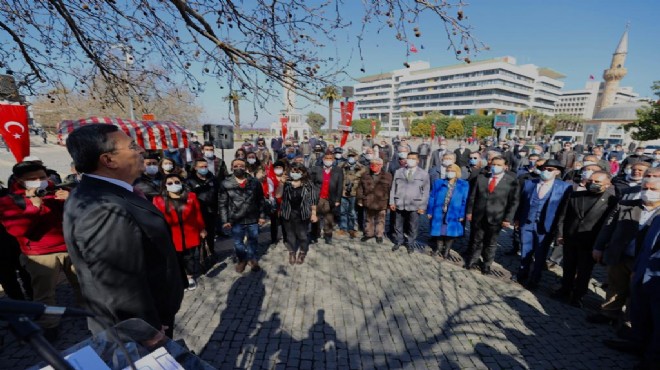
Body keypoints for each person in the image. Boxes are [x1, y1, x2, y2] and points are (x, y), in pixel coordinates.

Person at [63, 124, 183, 339]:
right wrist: (147, 331)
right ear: (109, 160)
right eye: (133, 147)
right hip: (139, 331)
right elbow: (120, 283)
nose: (142, 152)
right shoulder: (104, 207)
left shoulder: (101, 193)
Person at [0, 162, 81, 340]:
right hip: (40, 255)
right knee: (45, 295)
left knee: (83, 286)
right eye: (32, 179)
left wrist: (72, 198)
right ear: (20, 180)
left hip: (69, 247)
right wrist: (34, 206)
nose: (39, 182)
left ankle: (90, 316)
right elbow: (18, 230)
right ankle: (49, 326)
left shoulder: (57, 191)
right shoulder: (9, 200)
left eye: (42, 177)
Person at [589, 178, 660, 325]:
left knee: (636, 292)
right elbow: (608, 227)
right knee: (615, 285)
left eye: (653, 190)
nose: (648, 192)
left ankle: (630, 321)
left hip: (644, 261)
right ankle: (609, 313)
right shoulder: (625, 205)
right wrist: (599, 247)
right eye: (645, 188)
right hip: (620, 255)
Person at [553, 171, 617, 307]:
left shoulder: (612, 201)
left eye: (597, 182)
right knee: (568, 267)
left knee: (584, 271)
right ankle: (565, 289)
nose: (593, 184)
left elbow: (609, 225)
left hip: (591, 243)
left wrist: (601, 245)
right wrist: (560, 234)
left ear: (607, 184)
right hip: (570, 238)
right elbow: (562, 217)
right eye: (591, 181)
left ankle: (578, 295)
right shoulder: (575, 195)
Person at [515, 159, 572, 289]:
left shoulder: (564, 187)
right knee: (525, 249)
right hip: (527, 222)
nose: (545, 171)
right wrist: (518, 219)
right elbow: (521, 203)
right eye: (544, 169)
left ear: (557, 172)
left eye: (550, 170)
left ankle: (535, 278)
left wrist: (559, 230)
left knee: (541, 253)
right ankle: (522, 273)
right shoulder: (529, 183)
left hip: (547, 225)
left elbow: (564, 210)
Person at [465, 156, 519, 274]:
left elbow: (513, 202)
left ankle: (486, 264)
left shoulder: (511, 181)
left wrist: (507, 219)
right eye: (494, 164)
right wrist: (469, 212)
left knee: (491, 242)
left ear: (505, 167)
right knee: (476, 239)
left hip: (496, 217)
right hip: (479, 215)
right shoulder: (481, 178)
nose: (495, 167)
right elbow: (472, 197)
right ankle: (473, 260)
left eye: (499, 165)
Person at [153, 174, 206, 291]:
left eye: (177, 182)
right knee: (175, 258)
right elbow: (156, 219)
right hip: (171, 235)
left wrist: (202, 228)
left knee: (190, 257)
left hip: (190, 233)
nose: (174, 185)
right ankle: (179, 278)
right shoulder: (158, 200)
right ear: (165, 185)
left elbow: (198, 214)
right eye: (170, 183)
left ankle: (189, 276)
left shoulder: (191, 196)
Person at [219, 158, 267, 273]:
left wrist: (262, 216)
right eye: (236, 166)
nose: (239, 168)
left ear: (245, 167)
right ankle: (242, 259)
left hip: (252, 217)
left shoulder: (254, 182)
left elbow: (261, 200)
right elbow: (222, 203)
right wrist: (225, 220)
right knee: (238, 243)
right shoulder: (226, 183)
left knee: (253, 240)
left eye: (241, 165)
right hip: (235, 219)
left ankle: (252, 259)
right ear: (232, 167)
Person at [389, 152, 430, 253]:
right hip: (400, 202)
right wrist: (392, 202)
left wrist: (422, 206)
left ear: (418, 160)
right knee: (397, 224)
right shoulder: (399, 172)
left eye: (413, 158)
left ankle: (410, 243)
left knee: (413, 226)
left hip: (414, 204)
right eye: (409, 158)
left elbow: (426, 191)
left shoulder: (424, 174)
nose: (410, 160)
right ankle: (399, 241)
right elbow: (393, 188)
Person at [278, 163, 318, 265]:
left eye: (297, 172)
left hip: (303, 214)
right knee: (290, 235)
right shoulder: (286, 182)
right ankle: (292, 252)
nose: (294, 173)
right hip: (288, 213)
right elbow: (278, 195)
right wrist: (281, 184)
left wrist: (313, 213)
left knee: (302, 235)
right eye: (293, 171)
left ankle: (303, 252)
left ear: (303, 172)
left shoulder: (308, 184)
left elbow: (313, 200)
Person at [426, 164, 469, 258]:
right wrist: (430, 211)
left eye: (452, 171)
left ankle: (447, 251)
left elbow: (464, 201)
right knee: (439, 231)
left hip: (454, 212)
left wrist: (462, 214)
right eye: (448, 170)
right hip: (439, 211)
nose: (450, 173)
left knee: (450, 233)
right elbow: (432, 197)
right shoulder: (439, 182)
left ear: (457, 172)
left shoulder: (463, 184)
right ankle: (438, 248)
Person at [186, 159, 220, 261]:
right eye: (201, 167)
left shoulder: (213, 179)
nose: (204, 169)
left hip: (211, 212)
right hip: (197, 213)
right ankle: (201, 256)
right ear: (195, 168)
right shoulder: (190, 181)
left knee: (210, 234)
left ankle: (211, 252)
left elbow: (218, 193)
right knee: (200, 236)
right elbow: (188, 197)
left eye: (205, 166)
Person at [310, 153, 344, 244]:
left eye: (330, 158)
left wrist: (338, 199)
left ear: (333, 160)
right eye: (326, 158)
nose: (328, 160)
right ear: (323, 159)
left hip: (330, 198)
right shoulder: (317, 169)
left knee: (329, 217)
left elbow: (340, 186)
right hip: (318, 197)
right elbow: (312, 183)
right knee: (315, 216)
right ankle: (315, 234)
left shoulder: (338, 170)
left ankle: (328, 235)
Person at [357, 158, 392, 244]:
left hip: (382, 202)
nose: (374, 166)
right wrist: (360, 200)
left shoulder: (388, 176)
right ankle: (369, 234)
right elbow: (360, 188)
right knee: (368, 219)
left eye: (376, 164)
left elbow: (391, 190)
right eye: (372, 164)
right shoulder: (365, 175)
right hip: (369, 201)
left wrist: (390, 203)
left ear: (381, 165)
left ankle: (379, 235)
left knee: (380, 220)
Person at [337, 151, 365, 239]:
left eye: (353, 156)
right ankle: (343, 228)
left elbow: (363, 182)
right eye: (350, 156)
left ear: (357, 157)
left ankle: (352, 228)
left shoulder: (362, 168)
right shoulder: (341, 166)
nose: (351, 158)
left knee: (352, 212)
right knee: (342, 211)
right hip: (343, 192)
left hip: (354, 193)